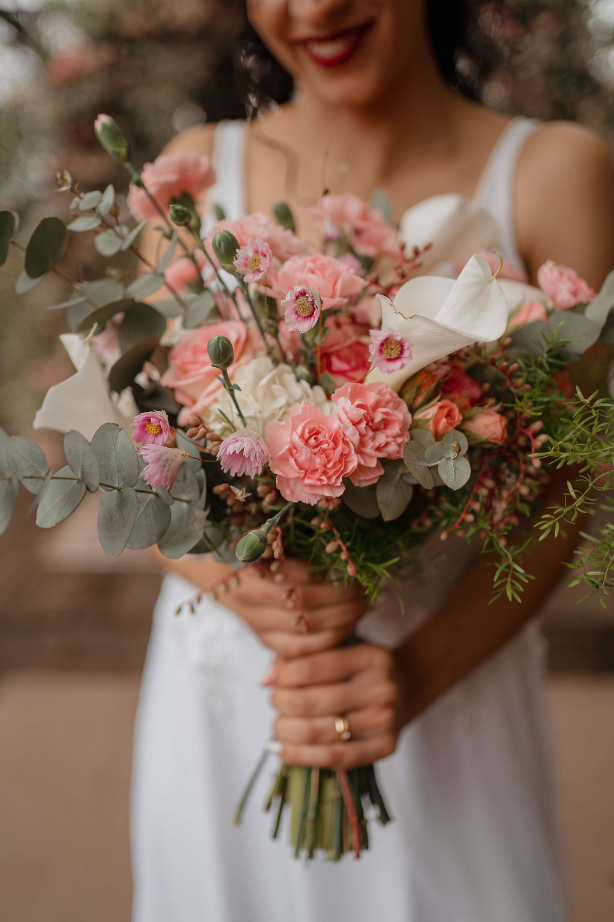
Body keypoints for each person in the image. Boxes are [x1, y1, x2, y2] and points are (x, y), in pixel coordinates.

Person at [131, 2, 614, 920]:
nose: (313, 8)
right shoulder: (185, 183)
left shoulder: (556, 173)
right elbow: (148, 470)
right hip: (238, 690)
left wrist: (410, 677)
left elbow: (565, 482)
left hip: (452, 688)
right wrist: (258, 601)